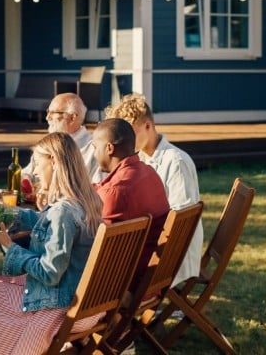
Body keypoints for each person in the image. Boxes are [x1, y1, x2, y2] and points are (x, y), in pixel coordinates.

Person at [0, 132, 106, 355]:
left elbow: (49, 274)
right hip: (92, 304)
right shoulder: (86, 201)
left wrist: (9, 244)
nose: (34, 172)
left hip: (63, 306)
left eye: (38, 163)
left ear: (54, 162)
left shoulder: (63, 212)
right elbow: (45, 221)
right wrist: (10, 212)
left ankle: (11, 347)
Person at [104, 93, 203, 285]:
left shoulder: (175, 161)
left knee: (111, 270)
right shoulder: (137, 159)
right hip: (152, 244)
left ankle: (115, 311)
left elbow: (181, 220)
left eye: (131, 133)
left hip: (171, 254)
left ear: (148, 126)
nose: (126, 140)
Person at [91, 118, 170, 263]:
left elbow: (96, 245)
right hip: (150, 271)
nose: (94, 154)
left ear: (109, 148)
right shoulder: (149, 173)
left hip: (123, 278)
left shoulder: (115, 192)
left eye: (95, 147)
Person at [23, 93, 102, 190]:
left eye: (53, 112)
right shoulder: (47, 144)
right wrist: (24, 181)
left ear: (72, 117)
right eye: (48, 112)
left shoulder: (93, 148)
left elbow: (95, 187)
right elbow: (28, 173)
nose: (47, 117)